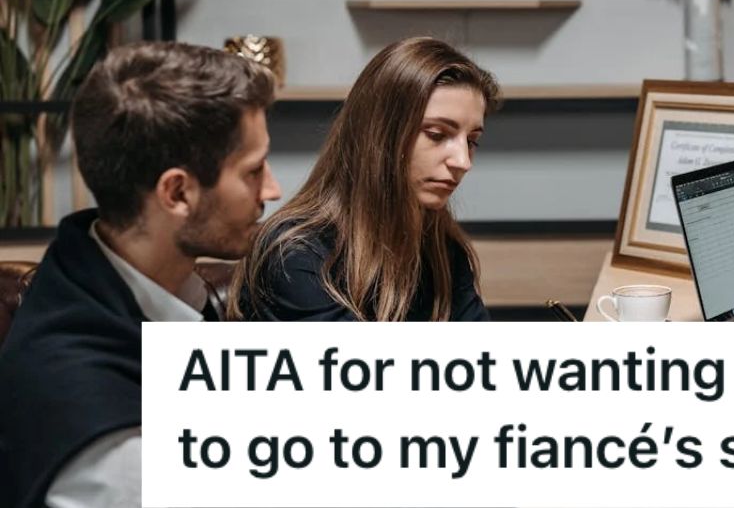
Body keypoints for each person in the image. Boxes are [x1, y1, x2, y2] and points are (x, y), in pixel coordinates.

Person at [0, 42, 282, 508]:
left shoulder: (93, 274)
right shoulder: (118, 457)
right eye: (253, 171)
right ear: (176, 193)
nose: (273, 189)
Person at [232, 37, 500, 322]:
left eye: (472, 141)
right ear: (380, 134)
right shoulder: (295, 253)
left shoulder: (441, 247)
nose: (463, 162)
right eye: (436, 134)